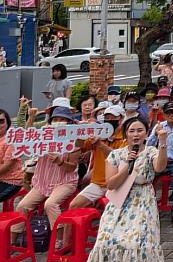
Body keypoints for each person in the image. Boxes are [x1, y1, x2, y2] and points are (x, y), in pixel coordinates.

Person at [76, 117, 169, 262]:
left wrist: (163, 141)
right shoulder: (116, 155)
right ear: (125, 133)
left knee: (135, 242)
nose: (136, 134)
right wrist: (126, 166)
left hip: (142, 200)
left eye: (140, 130)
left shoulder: (150, 151)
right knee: (105, 241)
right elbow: (111, 184)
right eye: (132, 131)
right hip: (118, 200)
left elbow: (160, 166)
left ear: (146, 133)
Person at [11, 105, 81, 247]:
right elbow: (26, 136)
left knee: (50, 204)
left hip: (65, 181)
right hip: (43, 181)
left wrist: (60, 161)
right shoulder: (44, 134)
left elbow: (72, 167)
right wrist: (30, 117)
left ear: (69, 123)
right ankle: (12, 241)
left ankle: (59, 240)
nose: (59, 122)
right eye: (56, 119)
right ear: (50, 121)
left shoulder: (74, 139)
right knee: (22, 205)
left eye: (63, 120)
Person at [69, 103, 127, 209]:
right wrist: (81, 132)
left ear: (121, 119)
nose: (109, 119)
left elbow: (117, 157)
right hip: (97, 183)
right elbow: (80, 145)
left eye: (113, 117)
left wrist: (100, 144)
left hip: (117, 184)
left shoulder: (125, 137)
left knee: (111, 210)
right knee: (74, 205)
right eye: (107, 117)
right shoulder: (99, 133)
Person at [0, 108, 22, 203]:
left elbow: (6, 165)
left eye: (1, 121)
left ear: (7, 123)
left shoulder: (12, 140)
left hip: (11, 181)